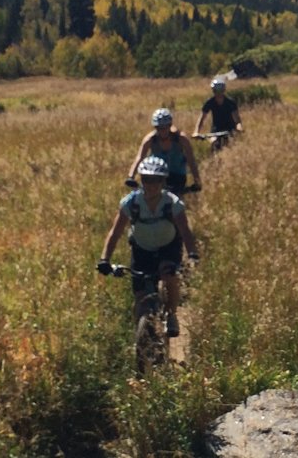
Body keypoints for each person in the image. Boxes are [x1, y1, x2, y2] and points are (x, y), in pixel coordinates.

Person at [99, 156, 199, 337]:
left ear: (163, 181)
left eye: (156, 180)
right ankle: (141, 333)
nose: (151, 184)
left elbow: (185, 231)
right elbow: (115, 232)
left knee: (169, 276)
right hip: (142, 250)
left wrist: (192, 253)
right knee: (140, 295)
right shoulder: (130, 203)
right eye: (146, 179)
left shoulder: (172, 203)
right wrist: (105, 259)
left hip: (168, 247)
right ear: (141, 180)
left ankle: (171, 314)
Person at [127, 108, 201, 194]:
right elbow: (139, 158)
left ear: (170, 126)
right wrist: (131, 177)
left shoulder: (181, 139)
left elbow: (191, 160)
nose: (162, 131)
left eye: (165, 127)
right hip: (157, 175)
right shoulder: (150, 139)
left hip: (177, 176)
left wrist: (197, 181)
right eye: (159, 128)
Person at [192, 78, 244, 145]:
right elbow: (202, 118)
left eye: (220, 91)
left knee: (230, 144)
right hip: (216, 130)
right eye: (216, 91)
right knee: (214, 142)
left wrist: (239, 127)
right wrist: (196, 132)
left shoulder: (230, 103)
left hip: (230, 129)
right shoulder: (209, 102)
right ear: (213, 91)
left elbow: (237, 120)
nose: (218, 93)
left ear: (224, 90)